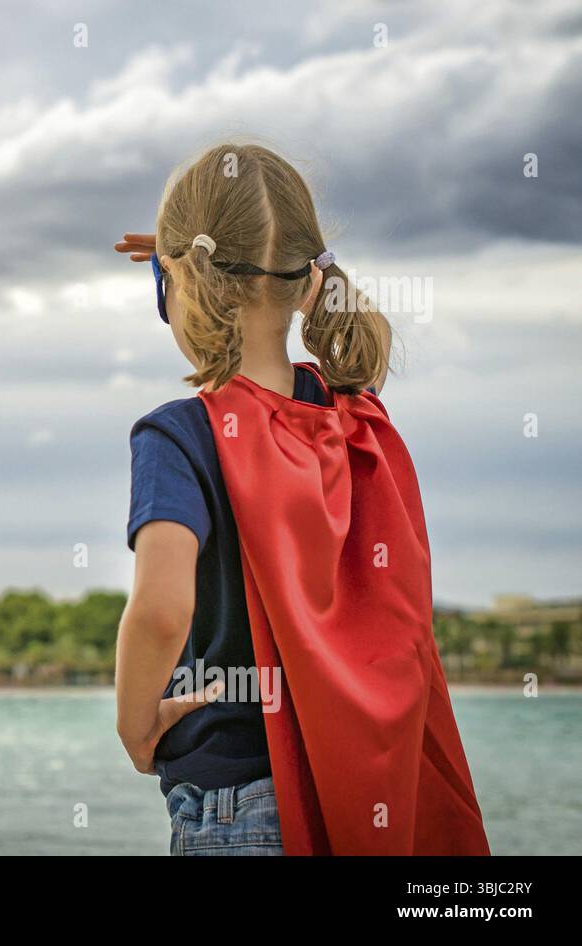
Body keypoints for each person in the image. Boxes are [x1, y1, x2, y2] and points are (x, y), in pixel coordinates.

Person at [112, 143, 489, 856]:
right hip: (345, 780)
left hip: (236, 799)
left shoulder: (180, 435)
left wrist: (135, 723)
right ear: (310, 281)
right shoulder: (354, 415)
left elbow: (162, 610)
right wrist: (198, 254)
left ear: (178, 284)